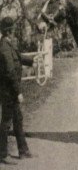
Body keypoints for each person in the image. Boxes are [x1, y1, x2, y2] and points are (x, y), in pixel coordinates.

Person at [0, 17, 37, 164]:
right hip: (8, 92)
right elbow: (9, 72)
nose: (15, 30)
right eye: (13, 28)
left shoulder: (9, 44)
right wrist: (18, 92)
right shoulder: (3, 47)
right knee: (6, 122)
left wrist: (32, 60)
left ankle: (23, 150)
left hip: (11, 91)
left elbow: (18, 57)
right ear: (9, 30)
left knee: (18, 120)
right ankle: (3, 154)